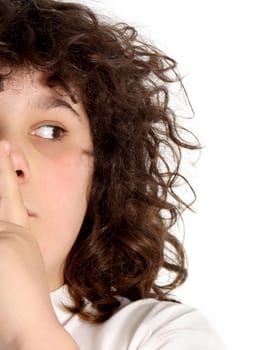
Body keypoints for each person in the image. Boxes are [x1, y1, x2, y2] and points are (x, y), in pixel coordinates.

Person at [0, 0, 224, 349]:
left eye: (50, 131)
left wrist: (28, 327)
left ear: (101, 175)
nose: (10, 162)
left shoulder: (159, 334)